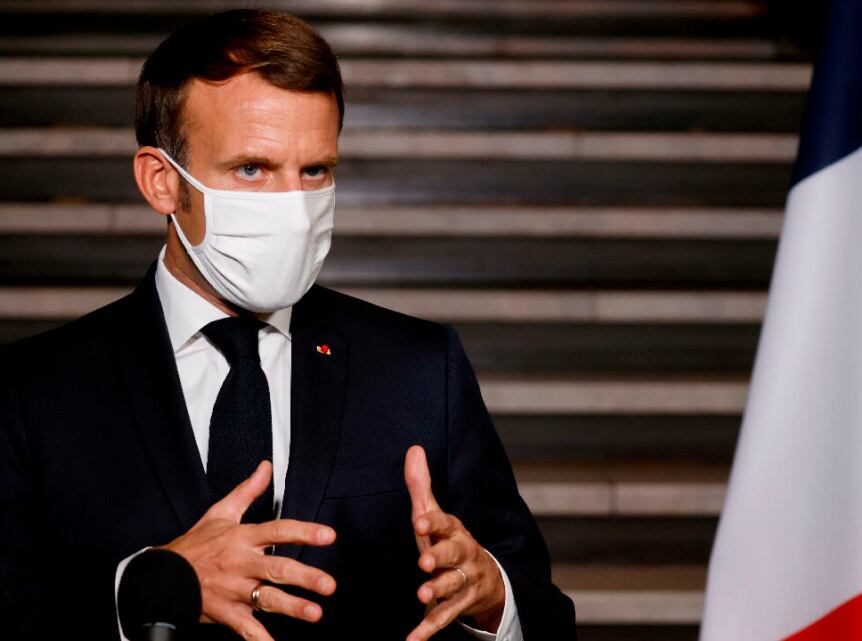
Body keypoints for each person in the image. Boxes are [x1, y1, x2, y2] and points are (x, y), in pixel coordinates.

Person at [0, 9, 575, 641]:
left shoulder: (418, 369)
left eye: (315, 171)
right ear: (161, 182)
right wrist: (145, 591)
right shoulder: (30, 395)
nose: (295, 211)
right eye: (252, 168)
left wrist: (492, 599)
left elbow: (542, 611)